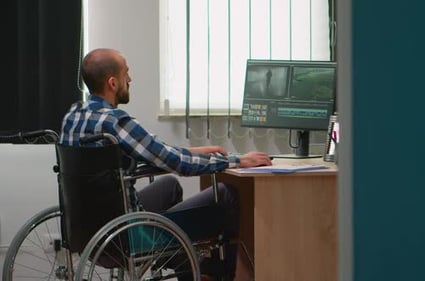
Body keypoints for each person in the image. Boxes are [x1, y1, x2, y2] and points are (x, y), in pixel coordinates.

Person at [59, 48, 272, 281]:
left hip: (87, 230)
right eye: (126, 74)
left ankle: (187, 268)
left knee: (169, 186)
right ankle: (206, 274)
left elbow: (154, 152)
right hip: (126, 235)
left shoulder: (74, 115)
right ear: (112, 82)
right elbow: (176, 163)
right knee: (226, 193)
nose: (130, 79)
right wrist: (237, 160)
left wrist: (193, 151)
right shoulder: (116, 122)